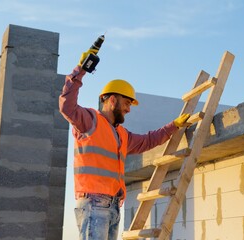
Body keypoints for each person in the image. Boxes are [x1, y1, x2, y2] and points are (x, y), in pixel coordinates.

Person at [59, 48, 190, 240]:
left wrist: (174, 126)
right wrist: (81, 69)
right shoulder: (89, 121)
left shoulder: (121, 134)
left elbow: (148, 141)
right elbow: (66, 106)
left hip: (112, 206)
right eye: (127, 103)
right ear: (112, 100)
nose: (129, 109)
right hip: (94, 203)